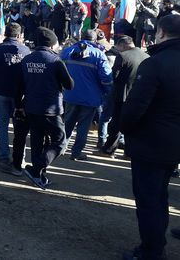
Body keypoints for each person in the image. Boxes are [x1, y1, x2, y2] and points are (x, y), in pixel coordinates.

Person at [120, 14, 180, 260]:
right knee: (160, 195)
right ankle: (155, 244)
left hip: (151, 142)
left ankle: (151, 251)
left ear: (161, 33)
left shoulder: (155, 63)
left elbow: (136, 106)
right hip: (173, 142)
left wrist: (124, 128)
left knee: (149, 200)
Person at [16, 27, 74, 188]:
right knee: (60, 141)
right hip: (50, 109)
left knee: (37, 141)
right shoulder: (55, 61)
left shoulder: (27, 59)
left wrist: (19, 105)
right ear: (52, 44)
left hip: (31, 107)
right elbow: (69, 85)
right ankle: (36, 169)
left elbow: (19, 86)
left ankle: (38, 176)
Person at [60, 30, 113, 161]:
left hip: (71, 95)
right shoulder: (99, 54)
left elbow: (59, 70)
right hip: (91, 98)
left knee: (68, 123)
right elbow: (106, 78)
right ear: (95, 40)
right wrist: (107, 92)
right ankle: (76, 152)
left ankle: (60, 149)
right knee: (83, 126)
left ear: (81, 37)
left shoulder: (68, 51)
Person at [0, 23, 31, 171]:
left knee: (3, 125)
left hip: (1, 91)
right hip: (20, 95)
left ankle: (4, 157)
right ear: (18, 35)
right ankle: (20, 158)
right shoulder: (26, 50)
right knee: (19, 128)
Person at [94, 36, 148, 158]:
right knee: (132, 124)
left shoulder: (123, 56)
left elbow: (114, 76)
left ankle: (108, 150)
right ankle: (129, 152)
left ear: (123, 45)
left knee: (116, 124)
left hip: (121, 95)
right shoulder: (146, 56)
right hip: (138, 96)